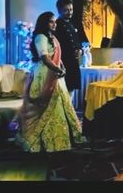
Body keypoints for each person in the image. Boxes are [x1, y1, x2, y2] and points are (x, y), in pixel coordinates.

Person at [16, 12, 85, 153]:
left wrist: (61, 67)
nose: (55, 24)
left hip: (55, 74)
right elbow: (45, 58)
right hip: (45, 75)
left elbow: (57, 57)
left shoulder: (52, 37)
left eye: (55, 21)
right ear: (44, 23)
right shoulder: (40, 37)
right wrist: (57, 69)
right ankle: (46, 141)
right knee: (48, 106)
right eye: (51, 22)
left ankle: (63, 138)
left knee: (62, 104)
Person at [54, 0, 83, 100]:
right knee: (62, 92)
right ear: (59, 10)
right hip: (62, 64)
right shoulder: (56, 26)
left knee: (71, 91)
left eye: (71, 9)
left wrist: (80, 51)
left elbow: (78, 42)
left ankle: (69, 109)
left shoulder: (72, 24)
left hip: (73, 63)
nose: (69, 12)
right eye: (66, 10)